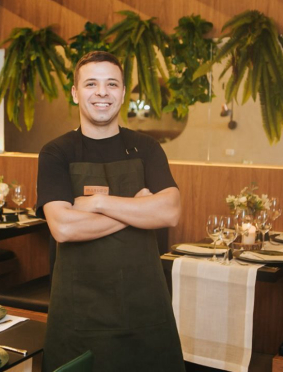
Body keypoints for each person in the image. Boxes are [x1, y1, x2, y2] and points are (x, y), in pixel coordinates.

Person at [36, 51, 185, 372]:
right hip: (79, 311)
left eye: (111, 84)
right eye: (91, 83)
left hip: (144, 306)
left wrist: (99, 204)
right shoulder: (55, 152)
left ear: (121, 92)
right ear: (76, 93)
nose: (102, 92)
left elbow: (170, 212)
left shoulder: (147, 148)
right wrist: (139, 207)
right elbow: (63, 227)